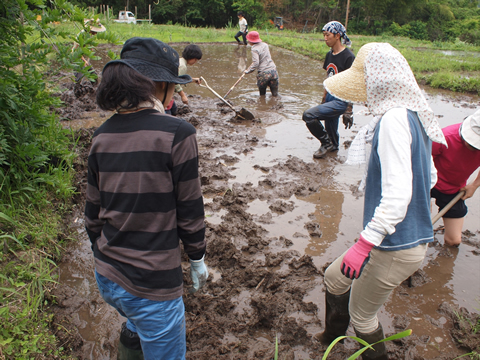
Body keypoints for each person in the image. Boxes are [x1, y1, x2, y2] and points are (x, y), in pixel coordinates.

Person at [317, 42, 447, 360]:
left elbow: (399, 194)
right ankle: (331, 338)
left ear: (378, 83)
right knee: (335, 278)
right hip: (402, 238)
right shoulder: (416, 116)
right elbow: (430, 178)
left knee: (363, 316)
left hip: (394, 246)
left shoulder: (392, 120)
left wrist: (364, 245)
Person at [85, 37, 208, 360]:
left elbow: (92, 215)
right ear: (158, 86)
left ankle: (131, 339)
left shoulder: (101, 136)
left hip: (107, 275)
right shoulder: (178, 134)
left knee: (135, 318)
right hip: (152, 284)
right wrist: (196, 258)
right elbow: (190, 210)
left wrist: (105, 255)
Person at [302, 21, 355, 159]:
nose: (325, 38)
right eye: (324, 35)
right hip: (330, 97)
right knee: (333, 137)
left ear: (337, 35)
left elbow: (351, 84)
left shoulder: (348, 57)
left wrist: (348, 110)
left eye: (327, 35)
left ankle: (325, 143)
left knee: (308, 115)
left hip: (340, 100)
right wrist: (324, 100)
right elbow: (328, 78)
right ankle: (332, 148)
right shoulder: (329, 55)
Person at [431, 109, 480, 246]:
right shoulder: (444, 136)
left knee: (453, 241)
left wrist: (474, 186)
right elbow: (422, 163)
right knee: (414, 226)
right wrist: (422, 193)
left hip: (453, 189)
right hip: (428, 181)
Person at [166, 44, 203, 115]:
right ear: (191, 57)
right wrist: (183, 95)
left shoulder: (179, 60)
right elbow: (175, 82)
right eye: (195, 59)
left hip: (168, 91)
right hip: (168, 92)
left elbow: (180, 78)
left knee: (174, 110)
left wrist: (193, 80)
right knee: (168, 113)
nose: (195, 61)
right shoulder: (183, 66)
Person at [244, 31, 279, 97]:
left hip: (264, 73)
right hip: (273, 71)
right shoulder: (265, 45)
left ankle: (262, 106)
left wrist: (248, 71)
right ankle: (277, 106)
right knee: (275, 95)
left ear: (251, 41)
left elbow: (256, 63)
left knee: (262, 95)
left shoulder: (254, 49)